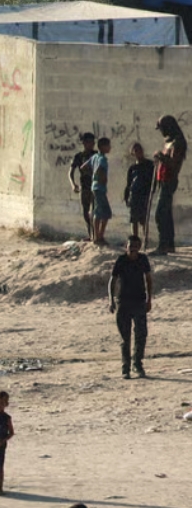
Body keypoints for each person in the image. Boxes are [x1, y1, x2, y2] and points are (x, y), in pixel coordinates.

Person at [109, 234, 153, 379]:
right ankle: (125, 368)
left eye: (135, 246)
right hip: (123, 303)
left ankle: (137, 364)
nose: (132, 249)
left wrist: (149, 299)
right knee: (125, 338)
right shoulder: (121, 261)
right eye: (130, 246)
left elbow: (148, 279)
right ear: (126, 247)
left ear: (139, 247)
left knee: (141, 334)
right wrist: (111, 300)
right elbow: (112, 280)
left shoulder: (143, 260)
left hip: (139, 302)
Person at [152, 115, 186, 255]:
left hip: (169, 181)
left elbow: (173, 163)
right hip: (163, 180)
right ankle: (169, 244)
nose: (161, 132)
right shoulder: (169, 141)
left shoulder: (178, 142)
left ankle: (163, 245)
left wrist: (161, 156)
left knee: (160, 214)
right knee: (166, 214)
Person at [123, 142, 154, 242]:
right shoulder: (132, 168)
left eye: (139, 150)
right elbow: (128, 184)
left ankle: (145, 240)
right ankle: (134, 240)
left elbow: (154, 180)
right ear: (133, 153)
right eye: (136, 151)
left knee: (144, 220)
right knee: (134, 219)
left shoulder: (149, 165)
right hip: (134, 196)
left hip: (144, 195)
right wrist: (126, 197)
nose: (138, 152)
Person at [69, 133, 97, 243]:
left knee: (94, 212)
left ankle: (95, 235)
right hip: (84, 186)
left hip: (94, 186)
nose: (91, 145)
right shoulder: (79, 156)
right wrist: (73, 184)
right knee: (86, 212)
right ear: (84, 143)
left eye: (93, 142)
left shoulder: (96, 155)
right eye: (89, 142)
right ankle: (90, 234)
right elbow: (71, 172)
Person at [90, 137, 112, 247]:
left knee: (100, 211)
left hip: (95, 187)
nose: (110, 148)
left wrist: (93, 178)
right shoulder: (102, 159)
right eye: (108, 145)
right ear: (102, 147)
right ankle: (98, 236)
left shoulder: (94, 157)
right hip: (100, 187)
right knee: (104, 212)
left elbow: (84, 167)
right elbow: (99, 169)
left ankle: (98, 236)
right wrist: (99, 178)